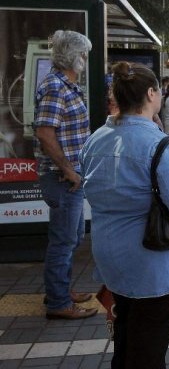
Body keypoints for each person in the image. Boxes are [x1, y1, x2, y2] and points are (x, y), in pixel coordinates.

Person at [80, 62, 169, 369]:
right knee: (148, 350)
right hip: (153, 263)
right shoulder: (161, 147)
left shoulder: (97, 138)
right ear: (152, 94)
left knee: (126, 335)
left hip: (112, 256)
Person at [33, 30, 97, 320]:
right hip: (62, 178)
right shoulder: (56, 87)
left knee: (70, 237)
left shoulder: (67, 85)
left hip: (69, 176)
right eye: (83, 53)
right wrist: (68, 170)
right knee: (63, 240)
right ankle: (58, 302)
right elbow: (45, 132)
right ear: (72, 56)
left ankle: (61, 290)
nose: (85, 58)